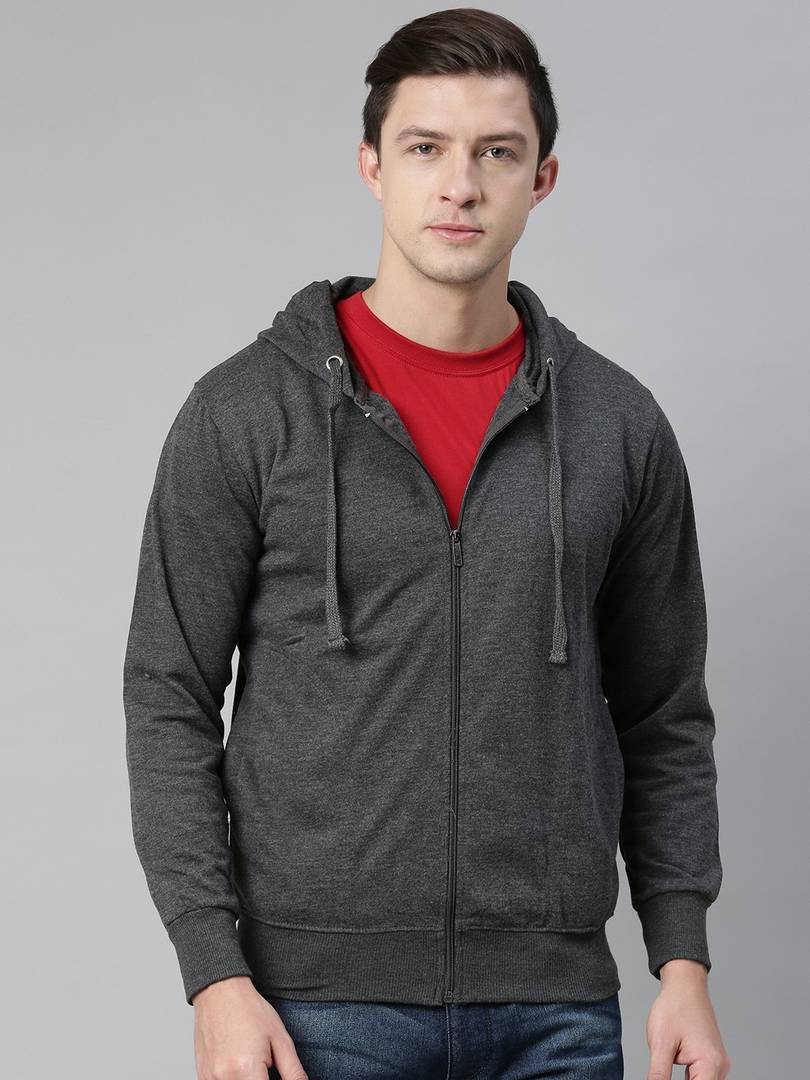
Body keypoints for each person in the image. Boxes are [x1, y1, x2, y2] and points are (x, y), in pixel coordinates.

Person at [123, 8, 731, 1079]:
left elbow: (663, 710)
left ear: (541, 179)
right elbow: (166, 695)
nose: (460, 186)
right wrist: (214, 974)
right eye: (425, 148)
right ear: (372, 166)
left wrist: (682, 960)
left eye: (497, 152)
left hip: (556, 1013)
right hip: (314, 1010)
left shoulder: (616, 426)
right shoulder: (246, 412)